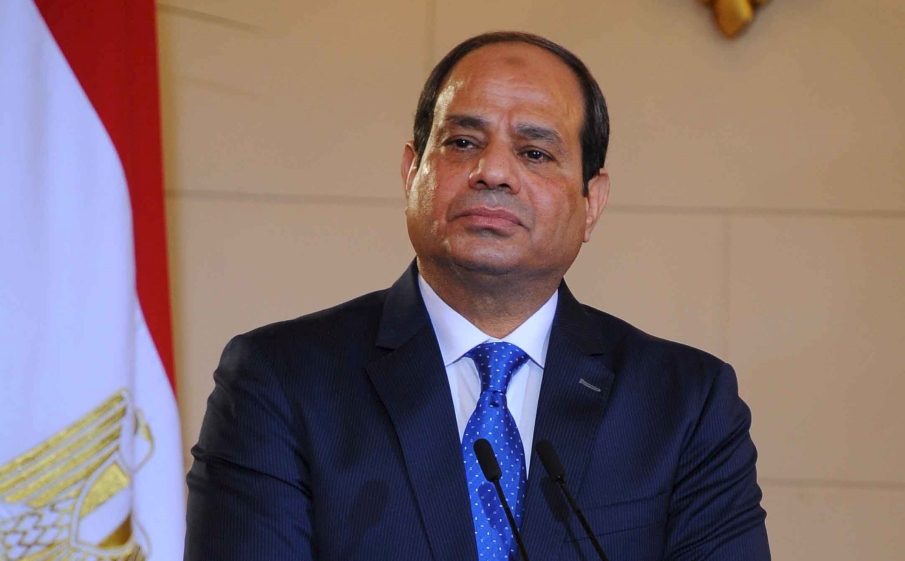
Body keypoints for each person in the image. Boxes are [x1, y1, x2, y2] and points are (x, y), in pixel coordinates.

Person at [185, 31, 769, 560]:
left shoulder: (685, 403)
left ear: (591, 202)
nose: (492, 171)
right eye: (463, 142)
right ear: (412, 173)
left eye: (534, 152)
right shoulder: (280, 380)